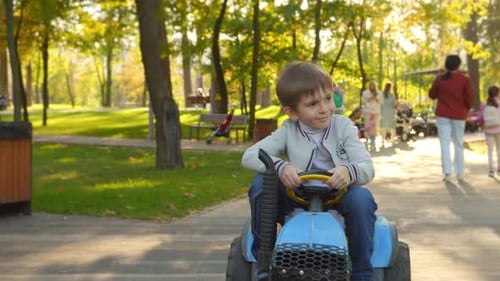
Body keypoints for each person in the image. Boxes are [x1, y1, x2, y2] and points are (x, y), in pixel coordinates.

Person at [242, 61, 377, 281]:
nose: (324, 108)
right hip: (297, 195)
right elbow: (249, 156)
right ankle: (263, 263)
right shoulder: (288, 130)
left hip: (338, 194)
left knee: (362, 199)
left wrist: (348, 170)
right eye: (313, 104)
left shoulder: (342, 126)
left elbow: (367, 167)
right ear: (292, 112)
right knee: (260, 185)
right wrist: (281, 167)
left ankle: (362, 273)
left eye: (327, 98)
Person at [428, 54, 474, 182]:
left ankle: (447, 172)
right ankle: (460, 172)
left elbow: (432, 95)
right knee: (458, 142)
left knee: (444, 143)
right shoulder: (464, 79)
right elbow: (469, 98)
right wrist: (467, 109)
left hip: (443, 114)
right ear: (458, 65)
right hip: (459, 115)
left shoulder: (440, 79)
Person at [482, 85, 500, 177]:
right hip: (498, 129)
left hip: (488, 130)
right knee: (499, 149)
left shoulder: (485, 105)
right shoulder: (499, 103)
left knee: (490, 150)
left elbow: (482, 118)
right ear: (497, 93)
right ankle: (499, 168)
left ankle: (491, 170)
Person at [361, 81, 381, 151]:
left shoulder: (379, 93)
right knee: (367, 128)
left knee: (375, 129)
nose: (372, 87)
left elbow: (381, 102)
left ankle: (373, 142)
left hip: (375, 113)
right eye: (371, 85)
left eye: (373, 86)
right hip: (367, 112)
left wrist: (375, 98)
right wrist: (369, 98)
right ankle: (367, 141)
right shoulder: (365, 93)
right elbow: (363, 102)